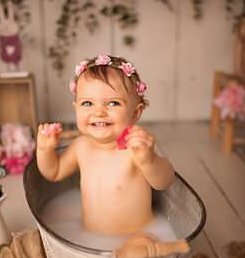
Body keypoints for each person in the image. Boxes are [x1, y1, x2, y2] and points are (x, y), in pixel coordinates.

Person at [36, 54, 175, 236]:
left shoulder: (136, 148)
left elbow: (164, 181)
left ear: (135, 113)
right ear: (76, 108)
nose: (99, 112)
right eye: (87, 103)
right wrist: (45, 150)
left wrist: (149, 160)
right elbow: (53, 172)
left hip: (137, 237)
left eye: (113, 103)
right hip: (90, 240)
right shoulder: (80, 146)